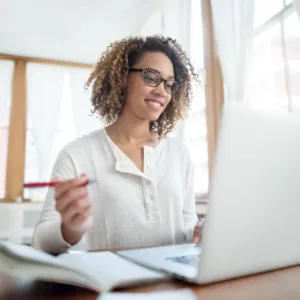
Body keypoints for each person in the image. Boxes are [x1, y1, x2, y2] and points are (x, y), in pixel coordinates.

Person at [32, 36, 204, 254]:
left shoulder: (178, 154)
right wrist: (69, 229)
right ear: (123, 78)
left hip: (173, 283)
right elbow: (40, 243)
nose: (162, 91)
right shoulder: (77, 155)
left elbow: (187, 224)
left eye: (169, 84)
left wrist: (200, 231)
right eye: (151, 77)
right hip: (113, 285)